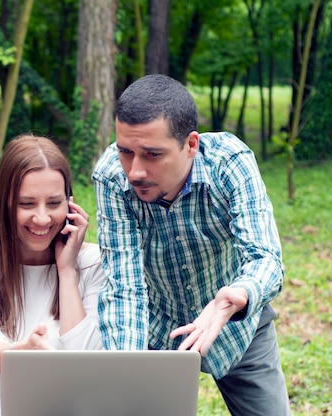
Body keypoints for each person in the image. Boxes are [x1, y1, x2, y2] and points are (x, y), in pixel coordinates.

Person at [92, 74, 291, 415]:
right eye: (126, 151)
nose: (135, 171)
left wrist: (237, 295)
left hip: (237, 326)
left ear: (191, 145)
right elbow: (123, 287)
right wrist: (125, 373)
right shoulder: (112, 177)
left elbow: (266, 257)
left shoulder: (229, 162)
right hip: (157, 328)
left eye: (152, 154)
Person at [0, 134, 105, 416]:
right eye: (27, 204)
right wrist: (21, 357)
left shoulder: (93, 263)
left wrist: (67, 270)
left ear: (70, 205)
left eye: (54, 203)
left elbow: (86, 361)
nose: (42, 219)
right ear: (5, 203)